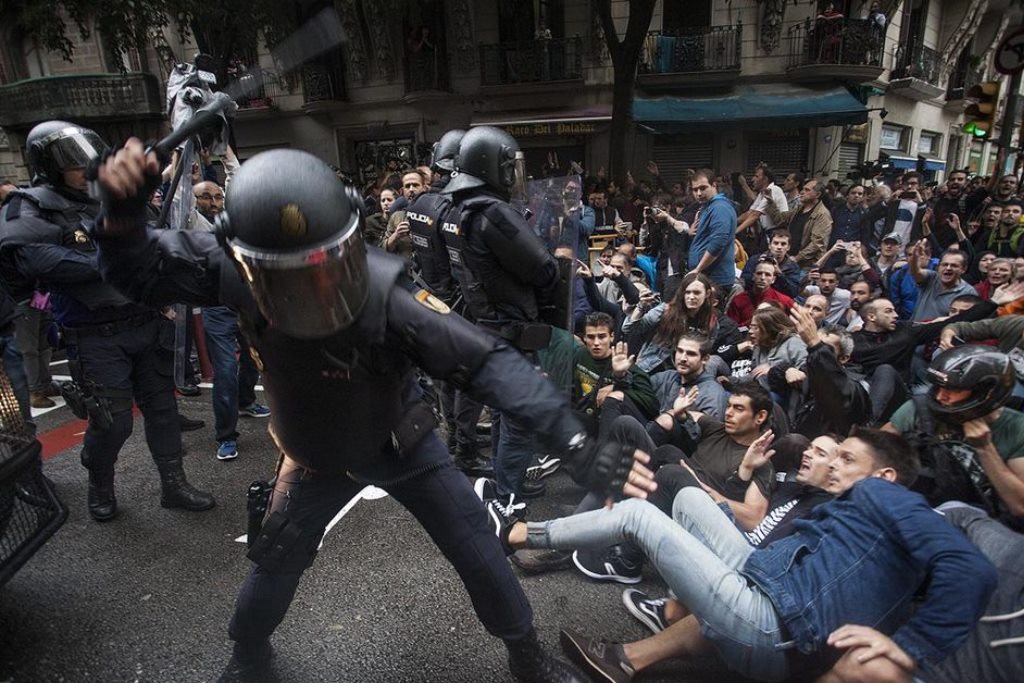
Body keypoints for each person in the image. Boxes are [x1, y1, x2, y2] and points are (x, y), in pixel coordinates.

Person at [91, 141, 656, 682]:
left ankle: (524, 654)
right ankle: (249, 652)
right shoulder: (227, 267)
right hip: (316, 451)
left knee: (479, 549)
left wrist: (575, 441)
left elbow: (486, 363)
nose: (309, 290)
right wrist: (121, 214)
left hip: (401, 440)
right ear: (243, 259)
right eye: (287, 277)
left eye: (323, 268)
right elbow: (138, 272)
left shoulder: (388, 297)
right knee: (277, 557)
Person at [494, 428, 997, 683]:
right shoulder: (863, 515)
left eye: (846, 458)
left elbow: (971, 570)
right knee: (687, 498)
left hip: (772, 627)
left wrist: (911, 648)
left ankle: (514, 533)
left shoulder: (890, 500)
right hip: (768, 590)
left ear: (885, 477)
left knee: (641, 517)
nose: (834, 464)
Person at [0, 121, 214, 522]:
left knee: (163, 410)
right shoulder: (31, 204)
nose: (84, 169)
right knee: (111, 423)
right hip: (95, 332)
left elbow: (155, 241)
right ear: (48, 166)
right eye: (71, 163)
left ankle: (174, 483)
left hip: (146, 320)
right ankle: (100, 482)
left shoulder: (112, 195)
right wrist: (117, 261)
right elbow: (37, 259)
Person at [884, 346, 1024, 520]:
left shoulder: (1017, 428)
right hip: (912, 504)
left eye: (954, 389)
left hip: (977, 519)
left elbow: (1019, 506)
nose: (940, 396)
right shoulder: (919, 410)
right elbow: (874, 451)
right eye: (939, 387)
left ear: (986, 393)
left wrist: (985, 448)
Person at [622, 272, 740, 374]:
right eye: (687, 292)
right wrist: (641, 306)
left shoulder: (711, 322)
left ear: (707, 294)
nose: (691, 297)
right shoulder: (666, 310)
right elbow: (629, 329)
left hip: (686, 373)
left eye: (696, 293)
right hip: (653, 367)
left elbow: (705, 352)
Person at [685, 169, 736, 296]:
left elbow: (718, 243)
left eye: (703, 188)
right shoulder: (708, 207)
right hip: (707, 277)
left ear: (714, 185)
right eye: (695, 189)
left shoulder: (720, 208)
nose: (698, 193)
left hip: (715, 280)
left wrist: (698, 269)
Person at [726, 258, 794, 327]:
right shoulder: (739, 300)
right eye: (759, 273)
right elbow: (730, 328)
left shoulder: (784, 301)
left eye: (767, 275)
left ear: (773, 279)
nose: (762, 277)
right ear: (753, 276)